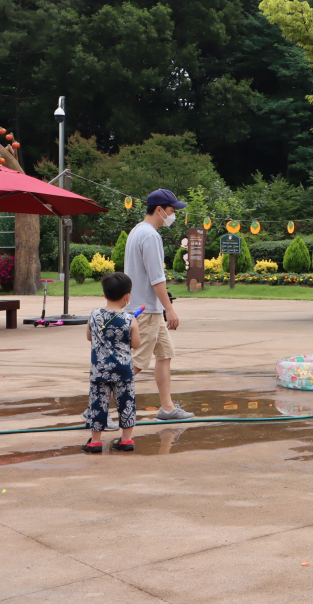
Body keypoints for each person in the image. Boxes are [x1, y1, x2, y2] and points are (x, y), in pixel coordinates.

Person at [125, 189, 194, 420]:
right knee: (135, 363)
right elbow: (157, 278)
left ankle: (167, 408)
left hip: (145, 307)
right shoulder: (151, 236)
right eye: (172, 210)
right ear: (159, 210)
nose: (173, 215)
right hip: (145, 310)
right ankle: (98, 407)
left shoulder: (137, 230)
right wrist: (170, 308)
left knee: (165, 353)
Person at [83, 273, 142, 454]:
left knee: (98, 403)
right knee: (126, 403)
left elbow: (88, 337)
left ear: (104, 295)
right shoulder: (129, 319)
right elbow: (136, 344)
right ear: (127, 297)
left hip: (99, 370)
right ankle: (126, 439)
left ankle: (95, 441)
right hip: (123, 370)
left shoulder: (94, 315)